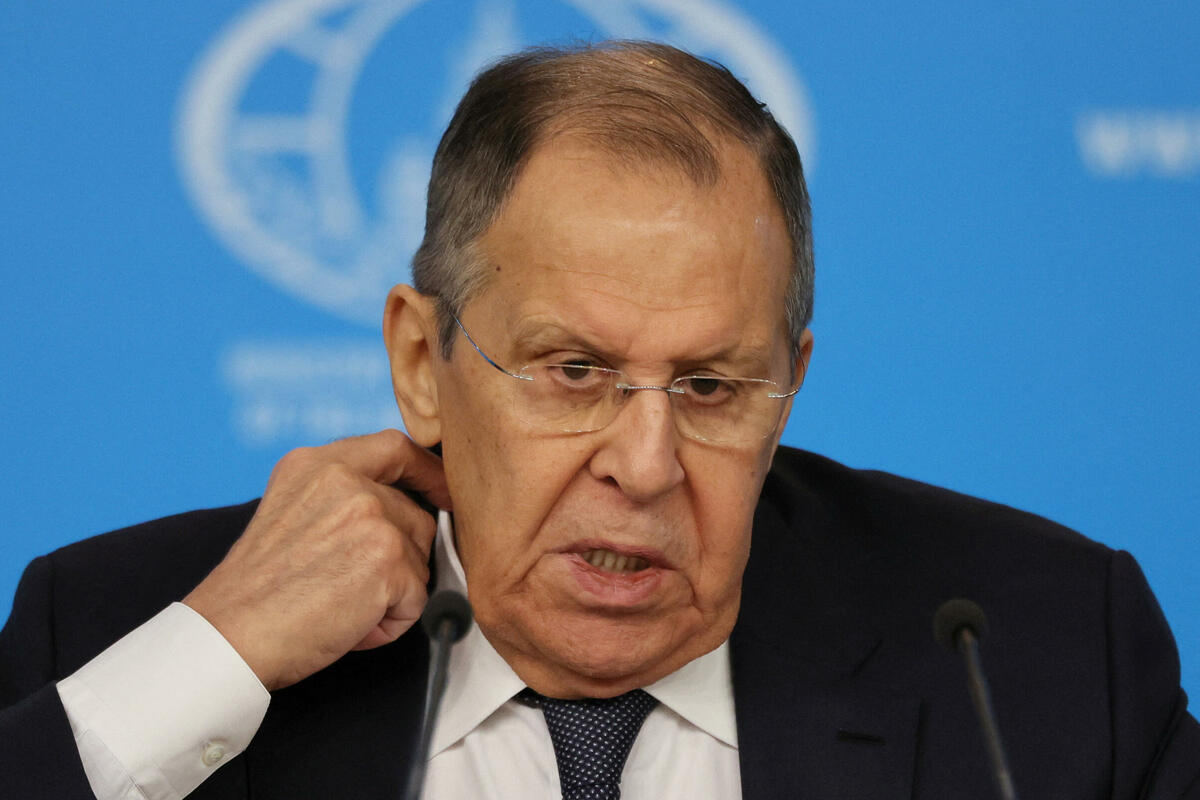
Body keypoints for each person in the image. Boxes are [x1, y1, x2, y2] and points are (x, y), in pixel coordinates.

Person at [1, 41, 1198, 800]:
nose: (645, 462)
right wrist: (207, 660)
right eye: (574, 370)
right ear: (422, 363)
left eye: (712, 386)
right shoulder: (113, 630)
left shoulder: (1034, 658)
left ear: (790, 382)